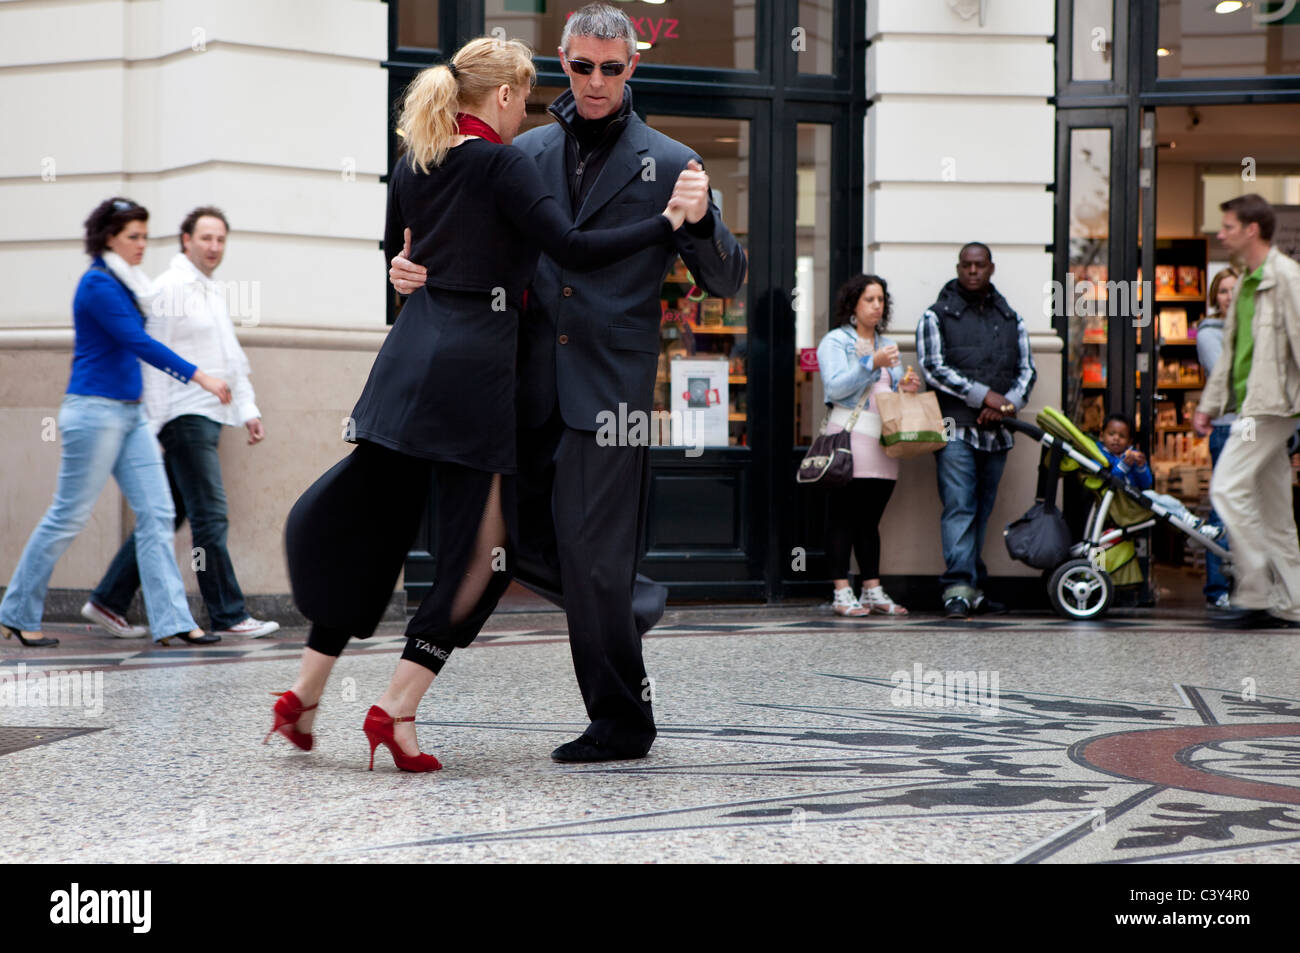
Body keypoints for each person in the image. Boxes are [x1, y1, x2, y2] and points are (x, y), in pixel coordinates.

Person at [268, 36, 693, 771]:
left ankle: (305, 693)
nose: (526, 111)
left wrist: (407, 275)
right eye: (524, 97)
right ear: (502, 96)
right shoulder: (502, 162)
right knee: (483, 557)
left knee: (375, 528)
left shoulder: (413, 161)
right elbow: (575, 247)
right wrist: (669, 224)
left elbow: (399, 261)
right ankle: (395, 708)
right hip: (472, 380)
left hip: (404, 370)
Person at [389, 3, 747, 763]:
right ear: (562, 60)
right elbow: (455, 243)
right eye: (581, 66)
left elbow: (725, 280)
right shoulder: (520, 151)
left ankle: (622, 722)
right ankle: (630, 594)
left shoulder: (672, 159)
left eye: (610, 68)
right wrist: (405, 272)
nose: (594, 81)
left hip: (608, 393)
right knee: (501, 545)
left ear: (632, 68)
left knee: (588, 555)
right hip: (512, 383)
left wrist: (701, 218)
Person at [0, 198, 232, 648]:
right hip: (94, 413)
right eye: (133, 237)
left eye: (146, 236)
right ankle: (17, 611)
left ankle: (173, 621)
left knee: (159, 514)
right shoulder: (98, 285)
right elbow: (136, 341)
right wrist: (199, 375)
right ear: (109, 238)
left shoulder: (129, 284)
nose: (143, 245)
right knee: (67, 515)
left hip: (130, 414)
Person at [80, 206, 279, 640]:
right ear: (185, 240)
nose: (214, 247)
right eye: (205, 238)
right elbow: (150, 358)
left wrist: (248, 410)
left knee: (167, 516)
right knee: (211, 515)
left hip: (208, 416)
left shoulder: (209, 289)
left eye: (221, 239)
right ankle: (228, 614)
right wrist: (152, 425)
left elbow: (230, 360)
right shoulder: (169, 288)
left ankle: (107, 600)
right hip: (184, 418)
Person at [1193, 193, 1300, 629]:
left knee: (1225, 489)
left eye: (1228, 226)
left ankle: (1254, 590)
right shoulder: (1243, 282)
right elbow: (1232, 355)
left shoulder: (1286, 278)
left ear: (1251, 229)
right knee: (1276, 512)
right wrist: (1208, 406)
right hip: (1248, 407)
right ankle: (1291, 603)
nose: (1221, 234)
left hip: (1270, 407)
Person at [916, 242, 1037, 619]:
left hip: (997, 433)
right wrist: (985, 397)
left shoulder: (1010, 316)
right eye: (966, 265)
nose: (972, 271)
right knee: (959, 508)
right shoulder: (936, 315)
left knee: (981, 512)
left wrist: (1005, 404)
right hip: (955, 431)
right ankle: (956, 587)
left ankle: (973, 588)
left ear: (991, 268)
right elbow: (933, 367)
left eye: (979, 265)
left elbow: (1028, 370)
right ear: (958, 267)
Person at [816, 275, 920, 617]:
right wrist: (870, 364)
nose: (877, 306)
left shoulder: (887, 343)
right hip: (849, 440)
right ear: (853, 305)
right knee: (842, 518)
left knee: (870, 520)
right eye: (869, 300)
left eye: (881, 300)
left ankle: (872, 589)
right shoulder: (836, 342)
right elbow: (834, 389)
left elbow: (888, 395)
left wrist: (907, 388)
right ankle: (841, 591)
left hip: (884, 444)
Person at [1094, 413, 1222, 537]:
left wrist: (1141, 467)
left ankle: (1195, 527)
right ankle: (1193, 526)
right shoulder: (1100, 456)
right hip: (1121, 501)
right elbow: (1109, 479)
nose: (1116, 438)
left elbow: (1145, 483)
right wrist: (1124, 465)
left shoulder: (1130, 454)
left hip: (1135, 497)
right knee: (1159, 500)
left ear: (1129, 441)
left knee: (1165, 503)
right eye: (1111, 434)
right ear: (1101, 436)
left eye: (1122, 436)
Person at [1195, 266, 1239, 609]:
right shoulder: (1209, 332)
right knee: (1223, 512)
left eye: (1234, 289)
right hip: (1227, 427)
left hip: (1255, 426)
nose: (1229, 296)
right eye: (1223, 291)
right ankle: (1217, 590)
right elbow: (1229, 376)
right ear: (1215, 297)